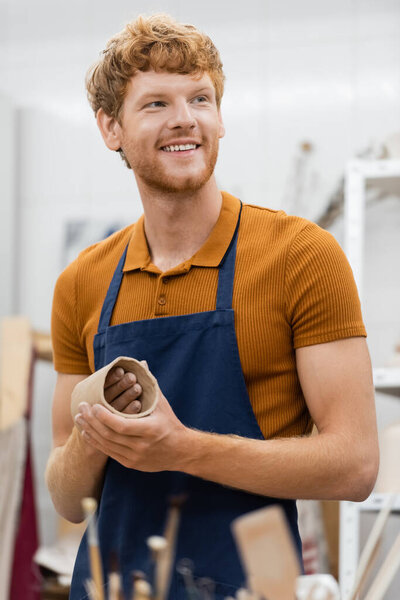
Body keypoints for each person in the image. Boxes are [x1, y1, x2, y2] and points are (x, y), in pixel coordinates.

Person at [46, 13, 379, 599]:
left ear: (220, 117)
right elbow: (68, 498)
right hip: (117, 585)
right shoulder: (82, 281)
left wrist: (181, 448)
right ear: (110, 127)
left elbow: (354, 466)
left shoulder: (302, 256)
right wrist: (93, 433)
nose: (185, 119)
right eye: (155, 104)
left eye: (200, 98)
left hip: (257, 583)